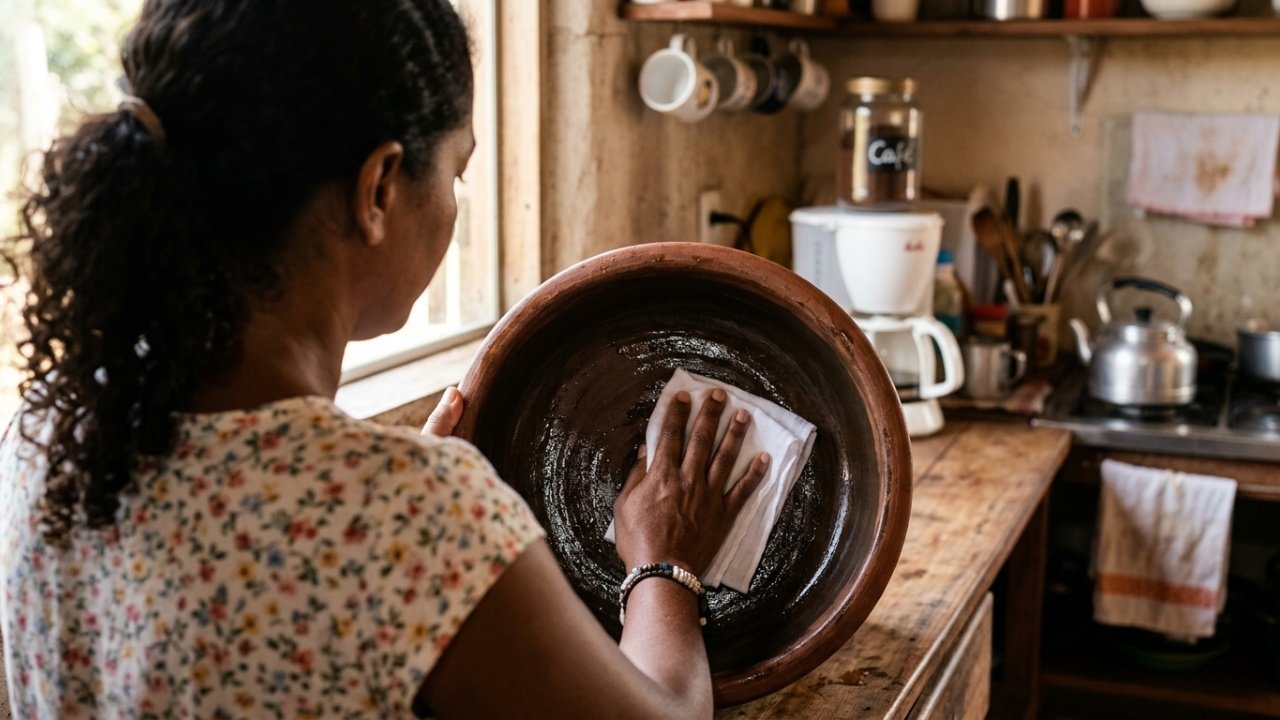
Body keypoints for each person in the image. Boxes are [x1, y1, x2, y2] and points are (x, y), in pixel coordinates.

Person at [0, 1, 771, 718]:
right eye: (457, 170)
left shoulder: (42, 434)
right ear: (377, 189)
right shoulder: (406, 518)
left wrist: (393, 507)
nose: (456, 206)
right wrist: (665, 564)